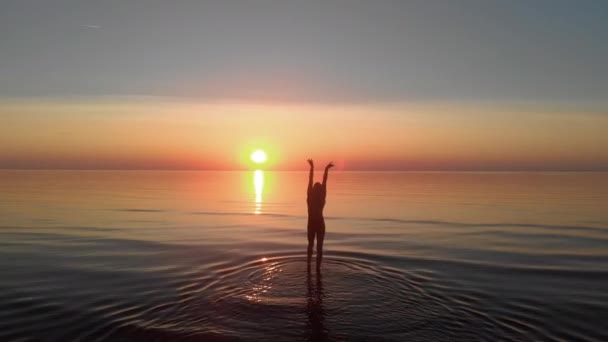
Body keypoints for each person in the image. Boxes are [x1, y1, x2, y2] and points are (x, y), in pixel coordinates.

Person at [306, 159, 334, 270]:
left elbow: (310, 180)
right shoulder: (321, 197)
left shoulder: (310, 199)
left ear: (312, 190)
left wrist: (312, 167)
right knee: (319, 248)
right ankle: (317, 268)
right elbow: (324, 181)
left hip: (312, 224)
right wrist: (326, 169)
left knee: (311, 245)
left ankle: (309, 266)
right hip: (320, 223)